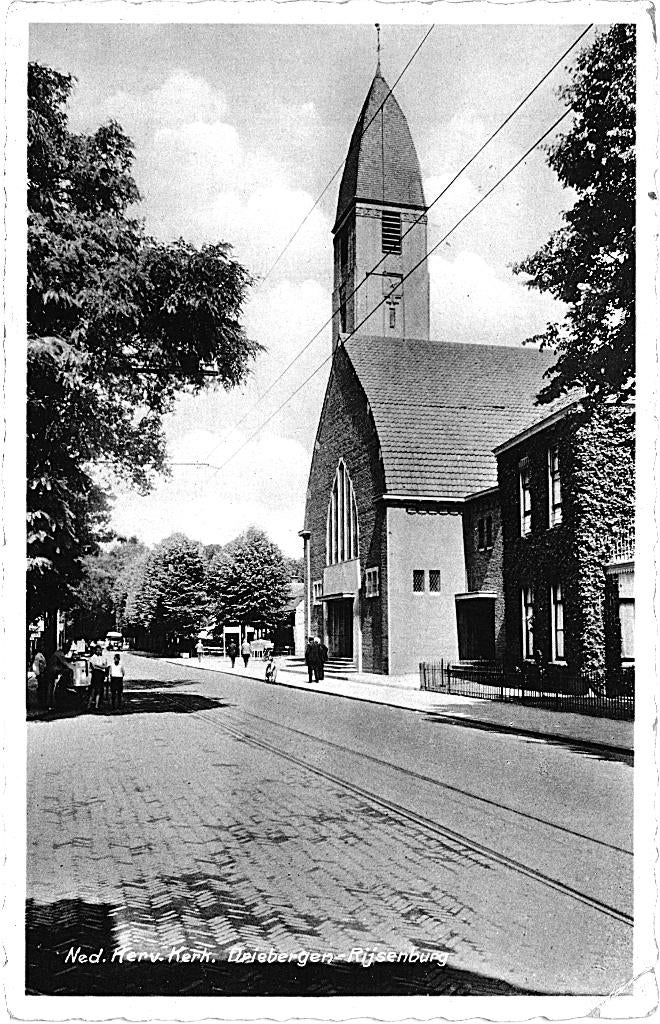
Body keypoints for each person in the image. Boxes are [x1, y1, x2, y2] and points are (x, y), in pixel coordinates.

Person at [88, 644, 108, 712]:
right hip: (95, 675)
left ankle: (97, 705)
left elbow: (105, 665)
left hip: (101, 675)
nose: (99, 651)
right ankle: (89, 705)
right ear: (95, 651)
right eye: (97, 650)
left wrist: (99, 666)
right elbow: (93, 667)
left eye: (100, 650)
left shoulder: (103, 657)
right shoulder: (93, 657)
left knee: (99, 691)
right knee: (93, 690)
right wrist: (101, 667)